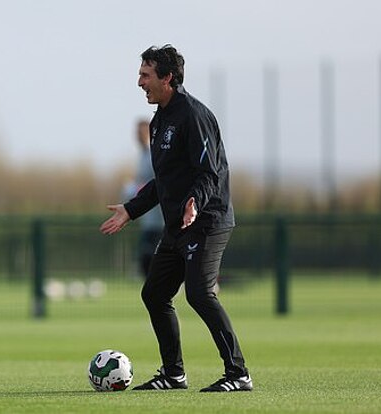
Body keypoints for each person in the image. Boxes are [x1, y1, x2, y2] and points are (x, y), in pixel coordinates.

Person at [100, 45, 252, 392]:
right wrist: (130, 210)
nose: (140, 82)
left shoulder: (194, 116)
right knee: (154, 294)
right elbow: (162, 181)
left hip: (207, 221)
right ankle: (173, 374)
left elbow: (209, 173)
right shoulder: (159, 121)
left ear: (167, 78)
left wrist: (194, 202)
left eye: (146, 75)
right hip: (177, 225)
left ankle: (238, 374)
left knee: (199, 294)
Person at [123, 120, 163, 279]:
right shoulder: (142, 155)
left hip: (161, 218)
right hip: (148, 218)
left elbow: (158, 182)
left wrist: (136, 189)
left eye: (140, 132)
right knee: (146, 259)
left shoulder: (155, 153)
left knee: (156, 259)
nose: (137, 136)